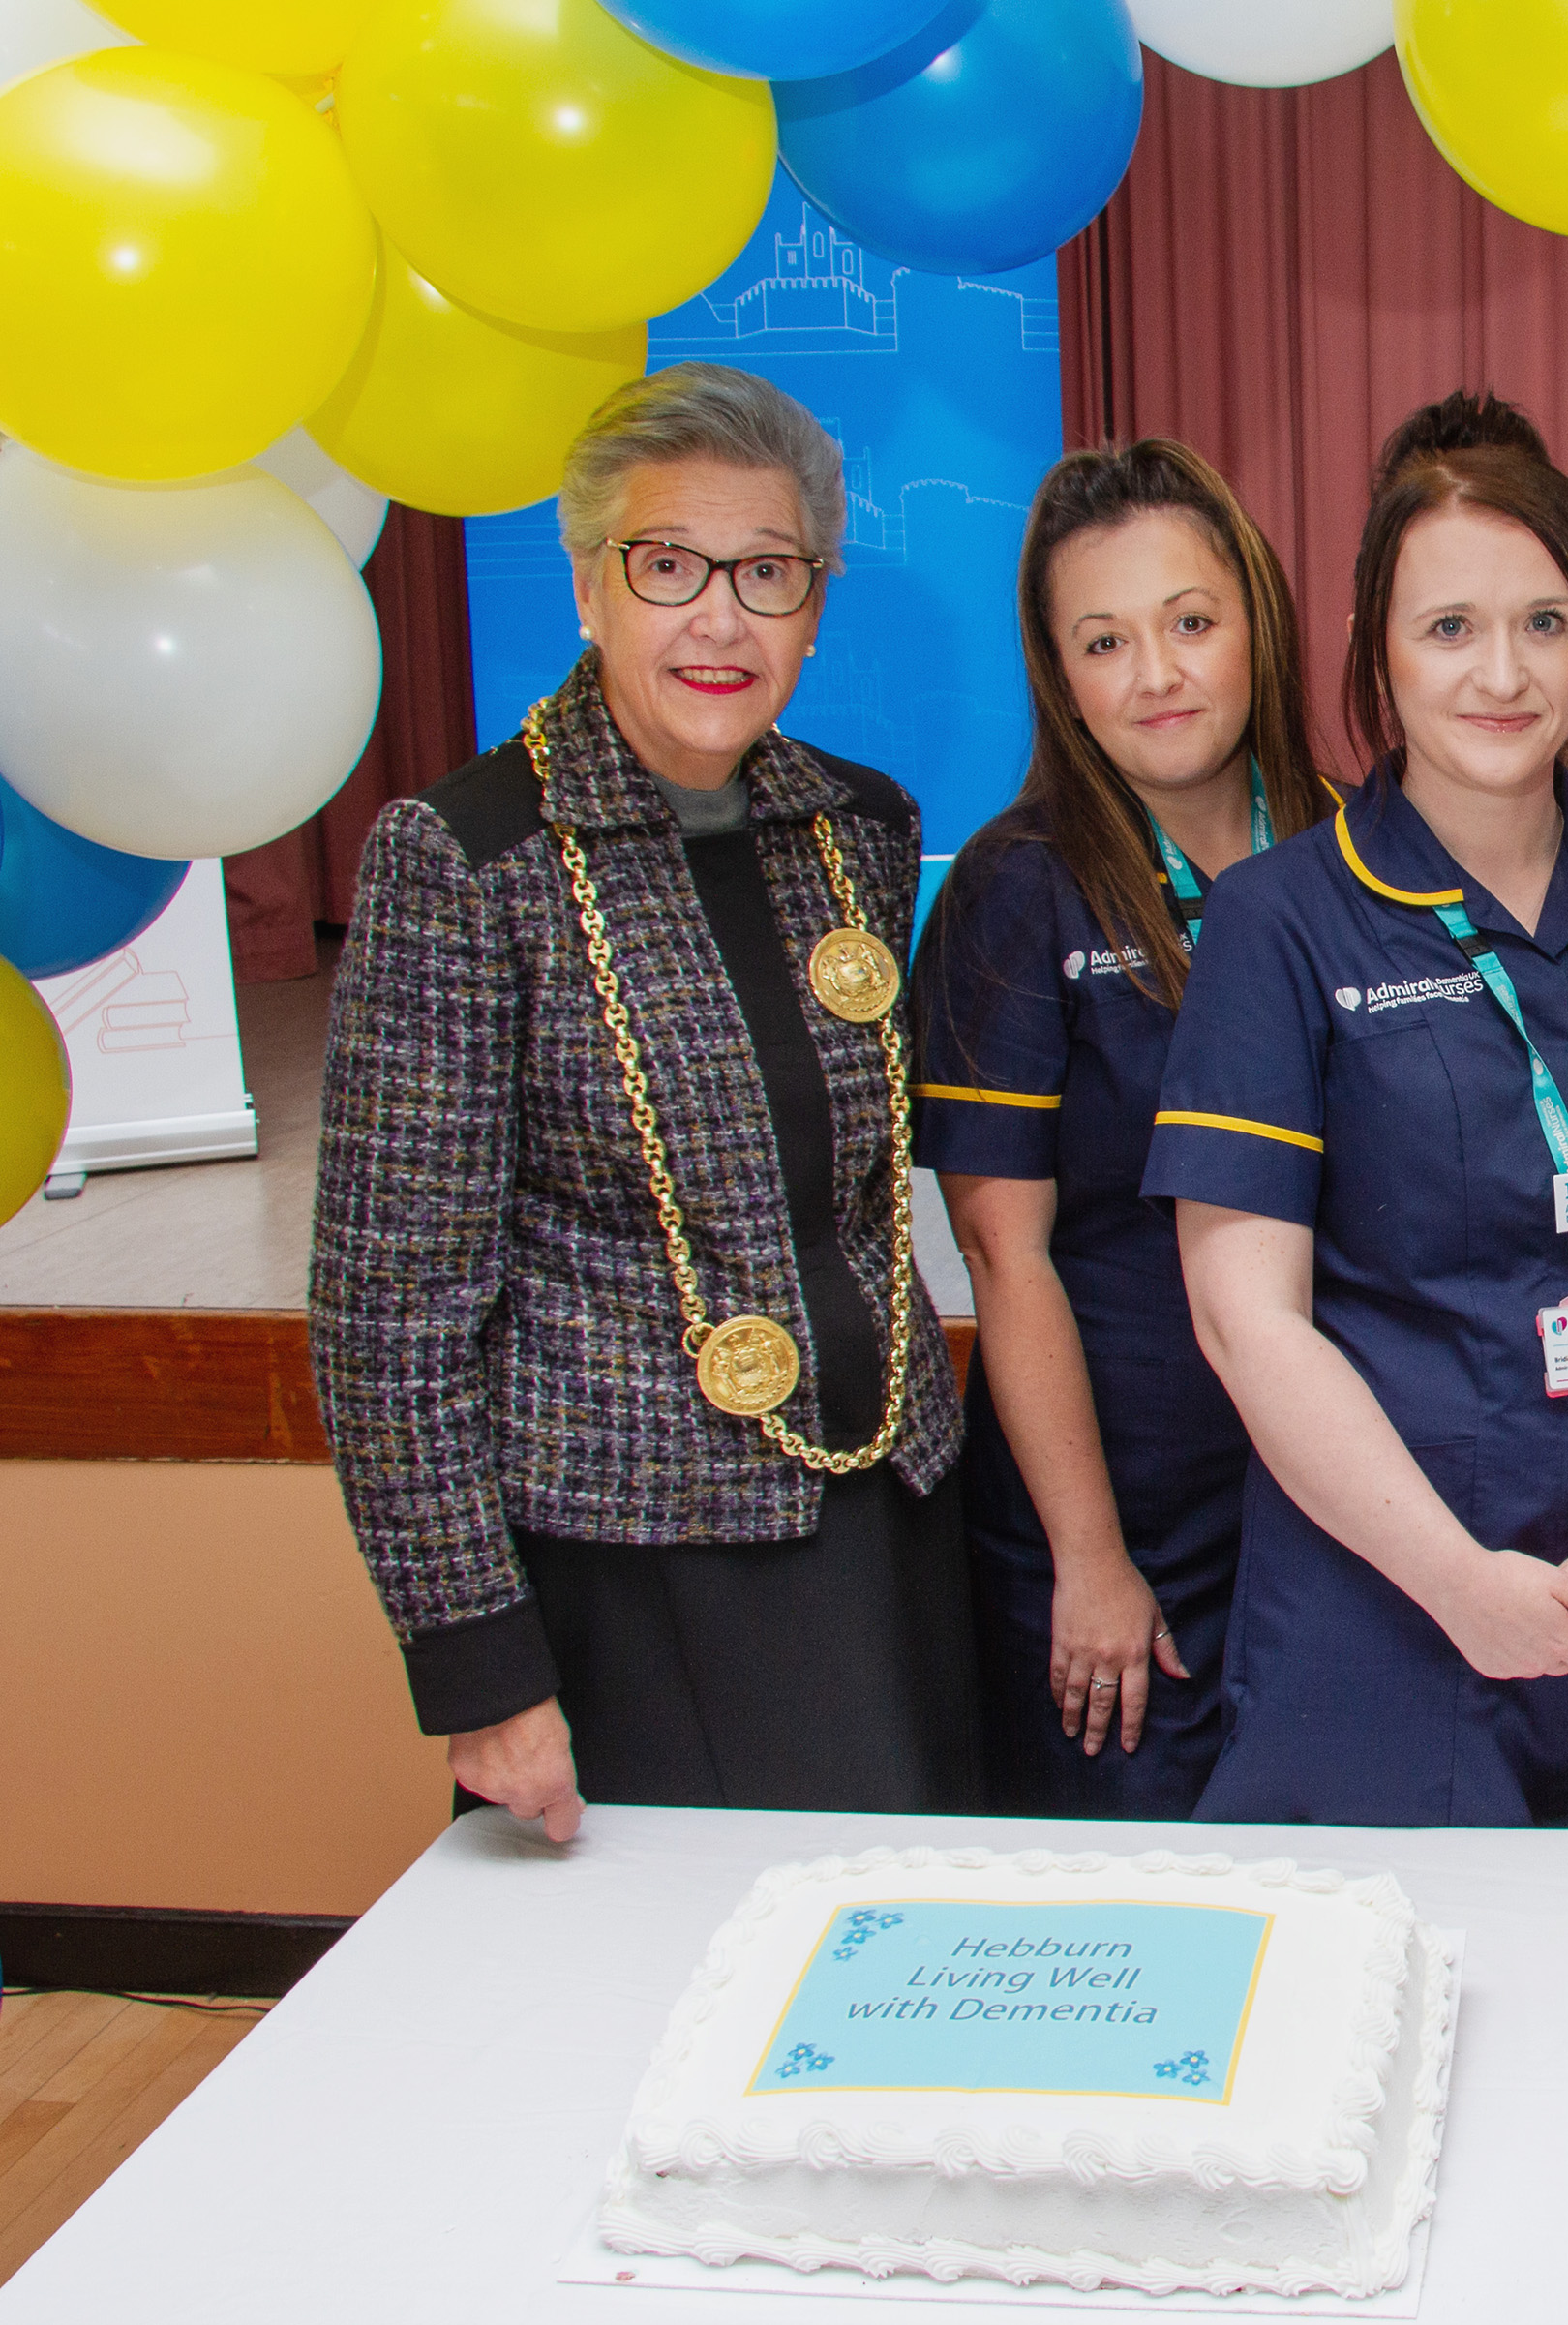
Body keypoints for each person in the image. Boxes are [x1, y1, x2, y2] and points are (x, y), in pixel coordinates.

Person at [312, 363, 971, 1840]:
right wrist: (477, 1663)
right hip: (642, 1553)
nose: (721, 617)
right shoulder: (470, 859)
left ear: (817, 597)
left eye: (767, 572)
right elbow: (387, 1319)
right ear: (590, 584)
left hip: (894, 1505)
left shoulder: (860, 825)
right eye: (669, 566)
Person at [1143, 405, 1568, 1831]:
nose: (1501, 674)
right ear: (1374, 646)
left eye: (1544, 624)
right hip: (1384, 1613)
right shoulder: (1281, 922)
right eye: (1448, 628)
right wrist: (1459, 1580)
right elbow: (1242, 1315)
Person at [909, 439, 1333, 1818]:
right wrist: (1089, 1554)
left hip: (1330, 1483)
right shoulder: (1018, 890)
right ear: (1060, 672)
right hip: (1121, 1496)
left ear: (1255, 624)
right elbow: (1004, 1256)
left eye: (1190, 622)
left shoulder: (1351, 851)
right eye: (1106, 640)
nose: (1157, 675)